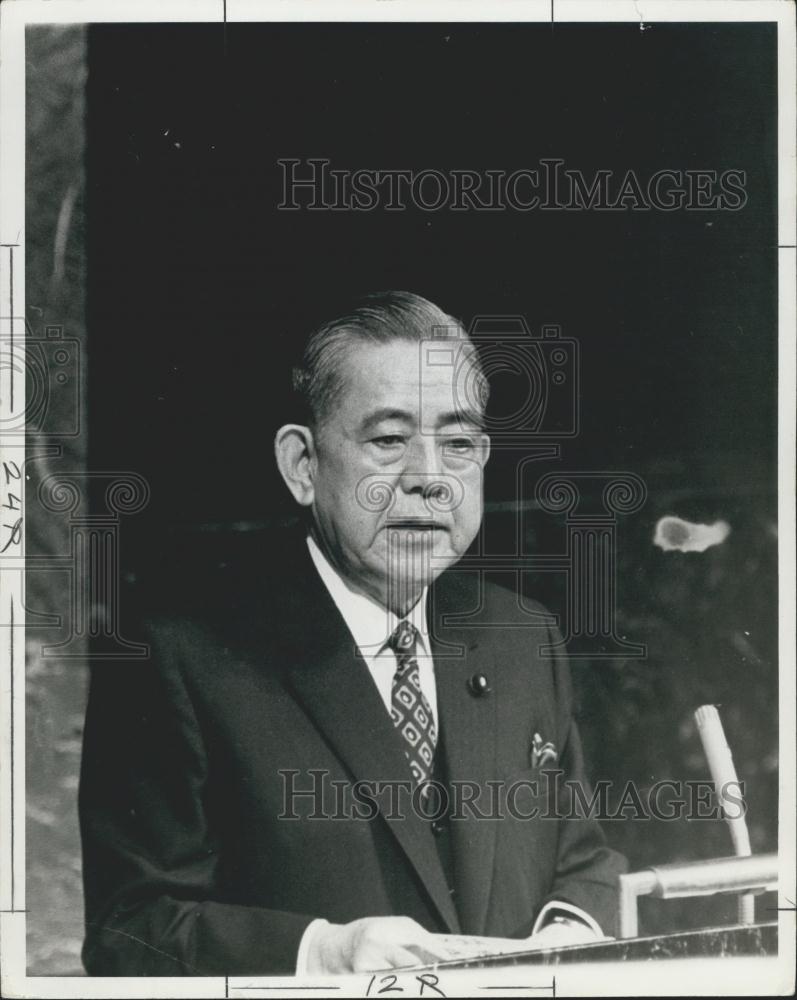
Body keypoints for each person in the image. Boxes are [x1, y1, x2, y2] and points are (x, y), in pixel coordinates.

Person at [79, 290, 626, 976]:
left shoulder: (522, 636)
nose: (429, 479)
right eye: (388, 440)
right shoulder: (182, 657)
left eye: (457, 444)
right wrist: (323, 953)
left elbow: (580, 857)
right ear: (303, 465)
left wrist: (566, 935)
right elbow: (129, 929)